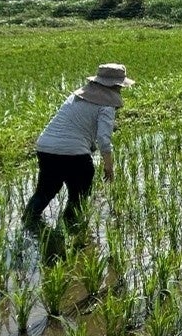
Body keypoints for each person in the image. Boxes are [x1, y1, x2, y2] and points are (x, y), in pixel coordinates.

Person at [22, 62, 132, 229]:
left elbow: (77, 125)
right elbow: (103, 139)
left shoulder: (77, 96)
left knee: (45, 192)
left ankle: (27, 227)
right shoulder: (106, 106)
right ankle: (71, 231)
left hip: (46, 148)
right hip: (73, 154)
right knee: (78, 197)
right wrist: (109, 167)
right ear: (116, 86)